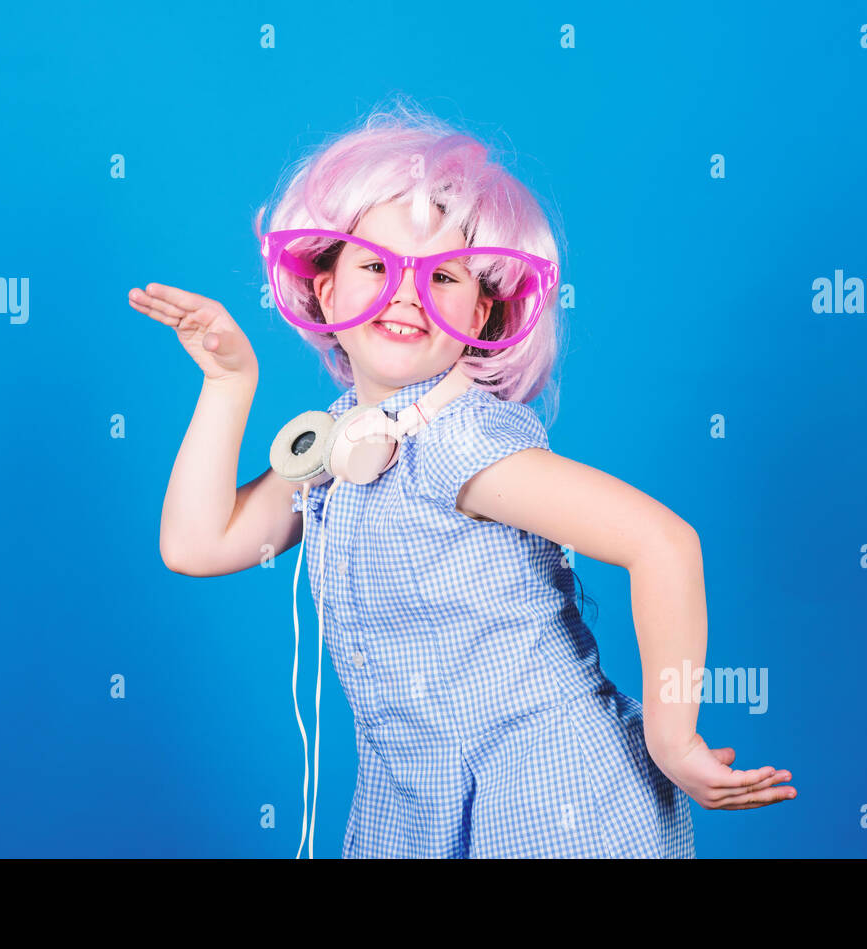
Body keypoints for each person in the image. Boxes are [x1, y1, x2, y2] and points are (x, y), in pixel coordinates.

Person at [129, 98, 796, 858]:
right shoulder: (343, 444)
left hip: (551, 803)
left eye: (442, 275)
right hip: (417, 806)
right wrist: (227, 381)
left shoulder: (458, 442)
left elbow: (664, 542)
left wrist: (674, 738)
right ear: (323, 291)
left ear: (484, 312)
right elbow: (195, 543)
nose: (406, 293)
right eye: (375, 267)